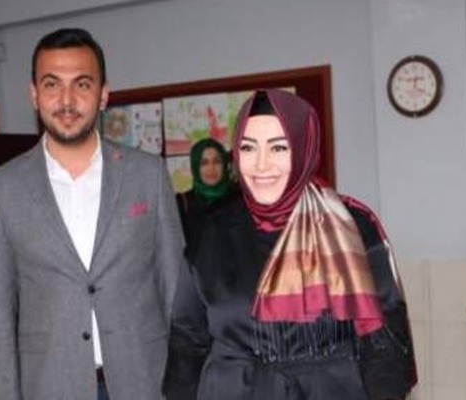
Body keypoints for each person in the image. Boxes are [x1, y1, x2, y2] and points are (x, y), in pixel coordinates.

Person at [163, 89, 416, 400]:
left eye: (278, 147)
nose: (261, 165)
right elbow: (187, 337)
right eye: (248, 147)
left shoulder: (351, 227)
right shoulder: (212, 232)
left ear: (303, 147)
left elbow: (384, 334)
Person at [0, 28, 185, 400]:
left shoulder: (147, 175)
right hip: (51, 386)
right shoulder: (2, 189)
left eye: (82, 84)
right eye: (52, 85)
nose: (67, 100)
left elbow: (177, 296)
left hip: (145, 383)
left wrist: (186, 387)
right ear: (34, 94)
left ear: (103, 95)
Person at [176, 138, 239, 249]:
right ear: (195, 167)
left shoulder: (238, 199)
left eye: (217, 161)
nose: (211, 168)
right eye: (204, 163)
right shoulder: (183, 202)